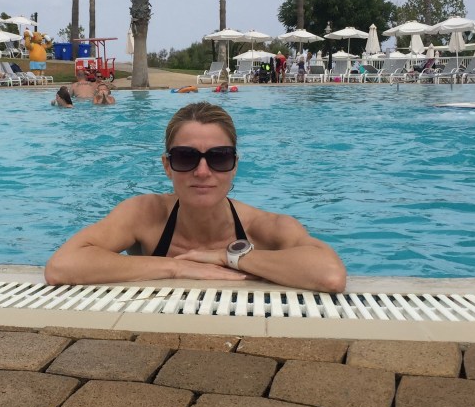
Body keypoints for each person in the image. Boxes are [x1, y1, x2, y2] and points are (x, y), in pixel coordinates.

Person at [45, 102, 346, 291]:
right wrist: (177, 267)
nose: (202, 172)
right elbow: (62, 266)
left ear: (234, 166)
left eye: (219, 157)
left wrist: (230, 257)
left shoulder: (262, 227)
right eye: (186, 157)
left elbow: (330, 275)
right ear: (167, 166)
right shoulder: (143, 214)